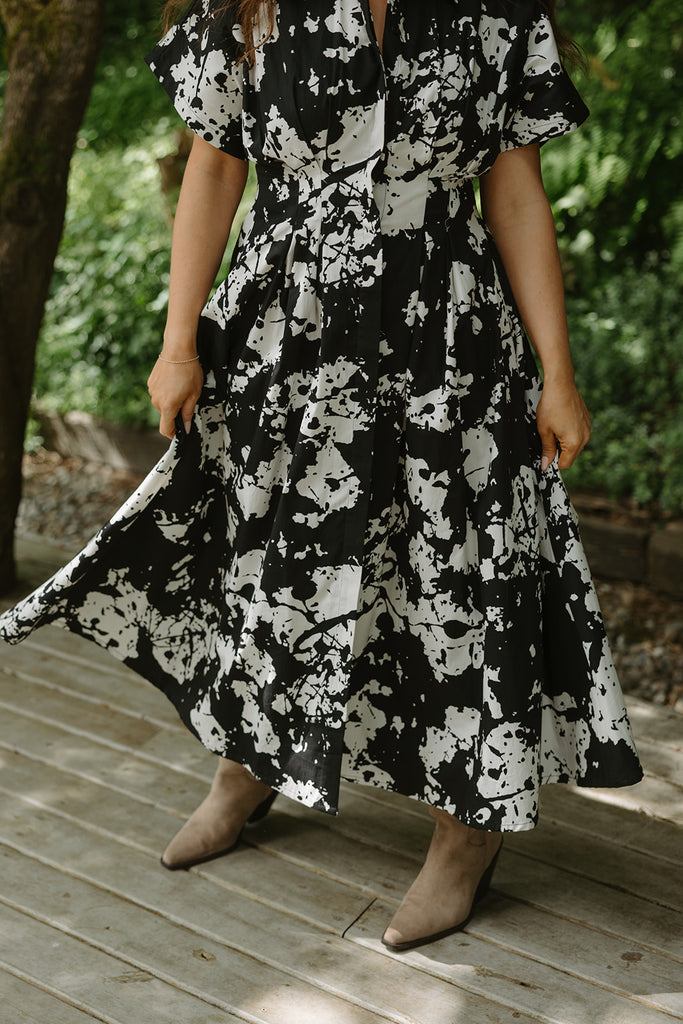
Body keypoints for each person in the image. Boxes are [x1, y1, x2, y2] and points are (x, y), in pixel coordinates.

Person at [0, 0, 644, 953]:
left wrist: (556, 371)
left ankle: (465, 830)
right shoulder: (248, 12)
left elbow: (514, 189)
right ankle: (246, 765)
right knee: (269, 562)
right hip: (284, 335)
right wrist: (179, 342)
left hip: (449, 343)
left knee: (450, 575)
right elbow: (214, 168)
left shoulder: (497, 14)